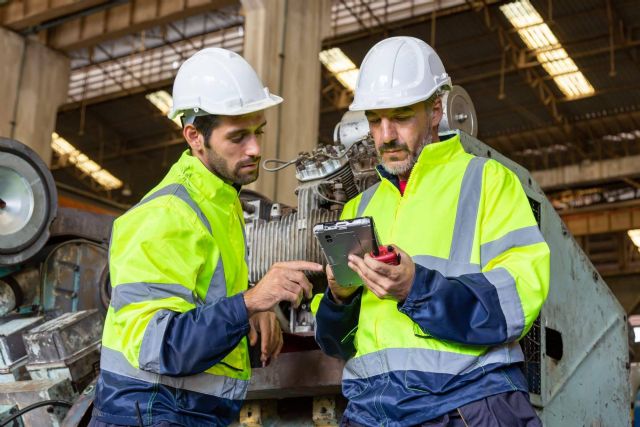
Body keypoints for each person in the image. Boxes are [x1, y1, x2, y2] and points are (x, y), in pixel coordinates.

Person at [313, 36, 550, 426]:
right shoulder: (360, 208)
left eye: (401, 116)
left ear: (435, 110)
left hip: (465, 404)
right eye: (375, 120)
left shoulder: (488, 182)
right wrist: (338, 299)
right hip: (373, 413)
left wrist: (416, 288)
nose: (386, 135)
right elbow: (335, 344)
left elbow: (516, 304)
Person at [90, 48, 322, 427]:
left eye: (259, 132)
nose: (256, 149)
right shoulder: (165, 216)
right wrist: (249, 301)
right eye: (238, 137)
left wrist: (252, 307)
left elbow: (199, 295)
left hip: (187, 412)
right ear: (195, 136)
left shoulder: (219, 201)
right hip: (149, 412)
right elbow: (161, 347)